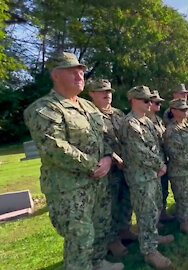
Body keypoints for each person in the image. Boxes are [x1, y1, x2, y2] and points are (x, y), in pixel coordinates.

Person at [23, 52, 123, 270]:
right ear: (56, 75)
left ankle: (98, 263)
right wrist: (93, 165)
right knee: (80, 238)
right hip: (69, 188)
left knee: (101, 227)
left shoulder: (88, 107)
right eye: (72, 71)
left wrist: (107, 157)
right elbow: (55, 148)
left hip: (98, 183)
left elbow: (104, 136)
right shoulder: (44, 109)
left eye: (81, 71)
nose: (80, 75)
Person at [119, 86, 173, 269]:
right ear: (134, 100)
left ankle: (153, 238)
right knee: (146, 213)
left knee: (154, 210)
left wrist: (159, 166)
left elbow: (156, 146)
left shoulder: (147, 121)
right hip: (141, 177)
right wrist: (160, 165)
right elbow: (139, 152)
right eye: (146, 100)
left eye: (151, 100)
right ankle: (150, 252)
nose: (150, 103)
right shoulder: (130, 123)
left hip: (152, 174)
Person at [87, 79, 135, 258]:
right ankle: (111, 239)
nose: (107, 94)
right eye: (101, 91)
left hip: (125, 166)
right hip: (107, 169)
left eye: (109, 91)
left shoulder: (118, 113)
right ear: (91, 93)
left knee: (126, 199)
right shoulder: (89, 115)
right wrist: (114, 157)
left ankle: (125, 229)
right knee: (109, 205)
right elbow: (97, 142)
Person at [164, 98, 188, 234]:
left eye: (186, 109)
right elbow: (176, 153)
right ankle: (183, 223)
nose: (185, 111)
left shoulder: (187, 126)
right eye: (182, 109)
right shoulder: (172, 130)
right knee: (183, 197)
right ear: (173, 111)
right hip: (180, 171)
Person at [147, 90, 174, 222]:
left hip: (163, 160)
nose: (159, 104)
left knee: (163, 189)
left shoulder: (158, 120)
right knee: (152, 195)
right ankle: (154, 221)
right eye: (156, 102)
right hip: (151, 162)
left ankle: (162, 213)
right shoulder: (144, 120)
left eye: (160, 102)